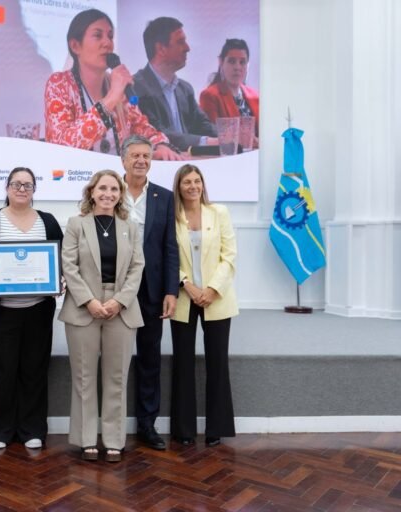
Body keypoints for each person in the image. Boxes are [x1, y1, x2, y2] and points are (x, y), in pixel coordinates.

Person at [59, 170, 144, 463]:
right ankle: (86, 440)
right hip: (84, 308)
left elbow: (137, 267)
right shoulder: (75, 224)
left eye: (114, 189)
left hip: (121, 309)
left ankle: (113, 440)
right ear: (91, 192)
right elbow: (68, 266)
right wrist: (90, 301)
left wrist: (119, 301)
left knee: (116, 378)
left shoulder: (130, 227)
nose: (108, 194)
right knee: (83, 378)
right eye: (102, 188)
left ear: (121, 194)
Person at [0, 167, 63, 450]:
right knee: (0, 371)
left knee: (34, 370)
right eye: (16, 184)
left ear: (35, 189)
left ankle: (32, 428)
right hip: (0, 312)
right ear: (6, 187)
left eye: (28, 184)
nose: (22, 189)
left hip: (38, 310)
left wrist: (59, 279)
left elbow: (61, 258)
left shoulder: (47, 221)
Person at [44, 8, 181, 161]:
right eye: (98, 35)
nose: (108, 43)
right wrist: (110, 100)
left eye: (110, 36)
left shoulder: (117, 84)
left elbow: (141, 127)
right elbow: (60, 146)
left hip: (118, 180)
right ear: (75, 46)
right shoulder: (59, 84)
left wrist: (159, 145)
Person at [170, 165, 238, 447]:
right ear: (179, 186)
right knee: (183, 364)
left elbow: (229, 255)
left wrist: (211, 289)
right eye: (187, 182)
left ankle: (216, 428)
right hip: (185, 298)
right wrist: (188, 285)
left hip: (216, 298)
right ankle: (184, 430)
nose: (193, 186)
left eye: (197, 181)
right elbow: (167, 256)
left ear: (203, 184)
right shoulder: (170, 217)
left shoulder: (218, 212)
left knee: (217, 362)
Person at [120, 135, 179, 452]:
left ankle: (147, 424)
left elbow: (171, 246)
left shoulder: (164, 197)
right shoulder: (108, 191)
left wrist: (172, 289)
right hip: (114, 289)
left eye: (146, 155)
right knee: (116, 358)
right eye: (135, 156)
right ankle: (112, 424)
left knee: (149, 357)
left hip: (152, 289)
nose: (141, 160)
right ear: (123, 160)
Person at [133, 17, 217, 152]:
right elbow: (157, 132)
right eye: (180, 42)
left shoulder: (185, 88)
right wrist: (208, 141)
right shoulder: (136, 87)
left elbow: (203, 125)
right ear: (161, 49)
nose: (187, 48)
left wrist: (230, 137)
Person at [199, 39, 260, 137]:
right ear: (221, 62)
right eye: (232, 61)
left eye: (242, 62)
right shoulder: (210, 96)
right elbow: (214, 136)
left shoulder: (256, 96)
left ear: (248, 65)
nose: (237, 67)